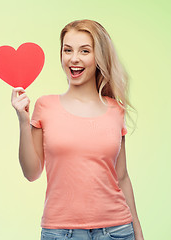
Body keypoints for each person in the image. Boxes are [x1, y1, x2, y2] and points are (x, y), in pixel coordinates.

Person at [11, 20, 144, 240]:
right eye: (67, 50)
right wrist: (23, 121)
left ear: (99, 56)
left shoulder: (115, 111)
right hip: (61, 232)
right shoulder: (45, 106)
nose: (74, 59)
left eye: (85, 51)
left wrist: (137, 231)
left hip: (117, 231)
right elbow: (31, 172)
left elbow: (121, 177)